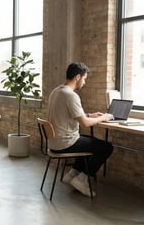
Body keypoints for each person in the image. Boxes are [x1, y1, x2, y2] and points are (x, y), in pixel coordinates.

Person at [47, 62, 114, 197]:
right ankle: (82, 179)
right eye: (84, 79)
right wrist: (103, 117)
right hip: (65, 144)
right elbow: (84, 123)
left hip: (54, 143)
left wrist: (90, 115)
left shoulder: (57, 91)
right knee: (106, 147)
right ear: (77, 77)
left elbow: (70, 115)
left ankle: (72, 174)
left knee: (89, 141)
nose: (84, 83)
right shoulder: (70, 95)